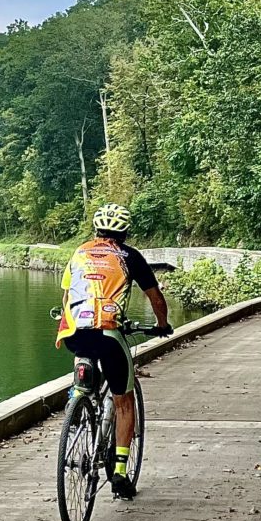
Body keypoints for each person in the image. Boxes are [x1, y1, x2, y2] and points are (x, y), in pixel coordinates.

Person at [55, 203, 172, 500]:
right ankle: (120, 471)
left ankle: (79, 403)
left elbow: (68, 294)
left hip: (73, 332)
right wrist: (162, 325)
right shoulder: (129, 256)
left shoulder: (80, 253)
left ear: (96, 230)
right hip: (108, 333)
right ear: (125, 231)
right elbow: (155, 298)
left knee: (84, 369)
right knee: (123, 400)